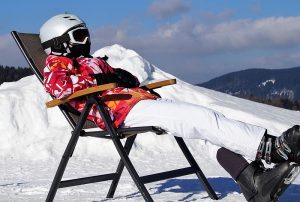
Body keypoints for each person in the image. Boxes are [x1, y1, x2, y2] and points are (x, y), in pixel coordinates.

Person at [39, 13, 300, 202]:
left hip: (135, 102)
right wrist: (103, 79)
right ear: (59, 42)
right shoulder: (56, 64)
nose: (86, 40)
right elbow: (59, 87)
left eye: (86, 33)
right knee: (200, 118)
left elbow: (114, 77)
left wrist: (121, 76)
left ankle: (254, 182)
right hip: (117, 111)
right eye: (79, 35)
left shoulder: (91, 61)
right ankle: (270, 149)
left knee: (204, 128)